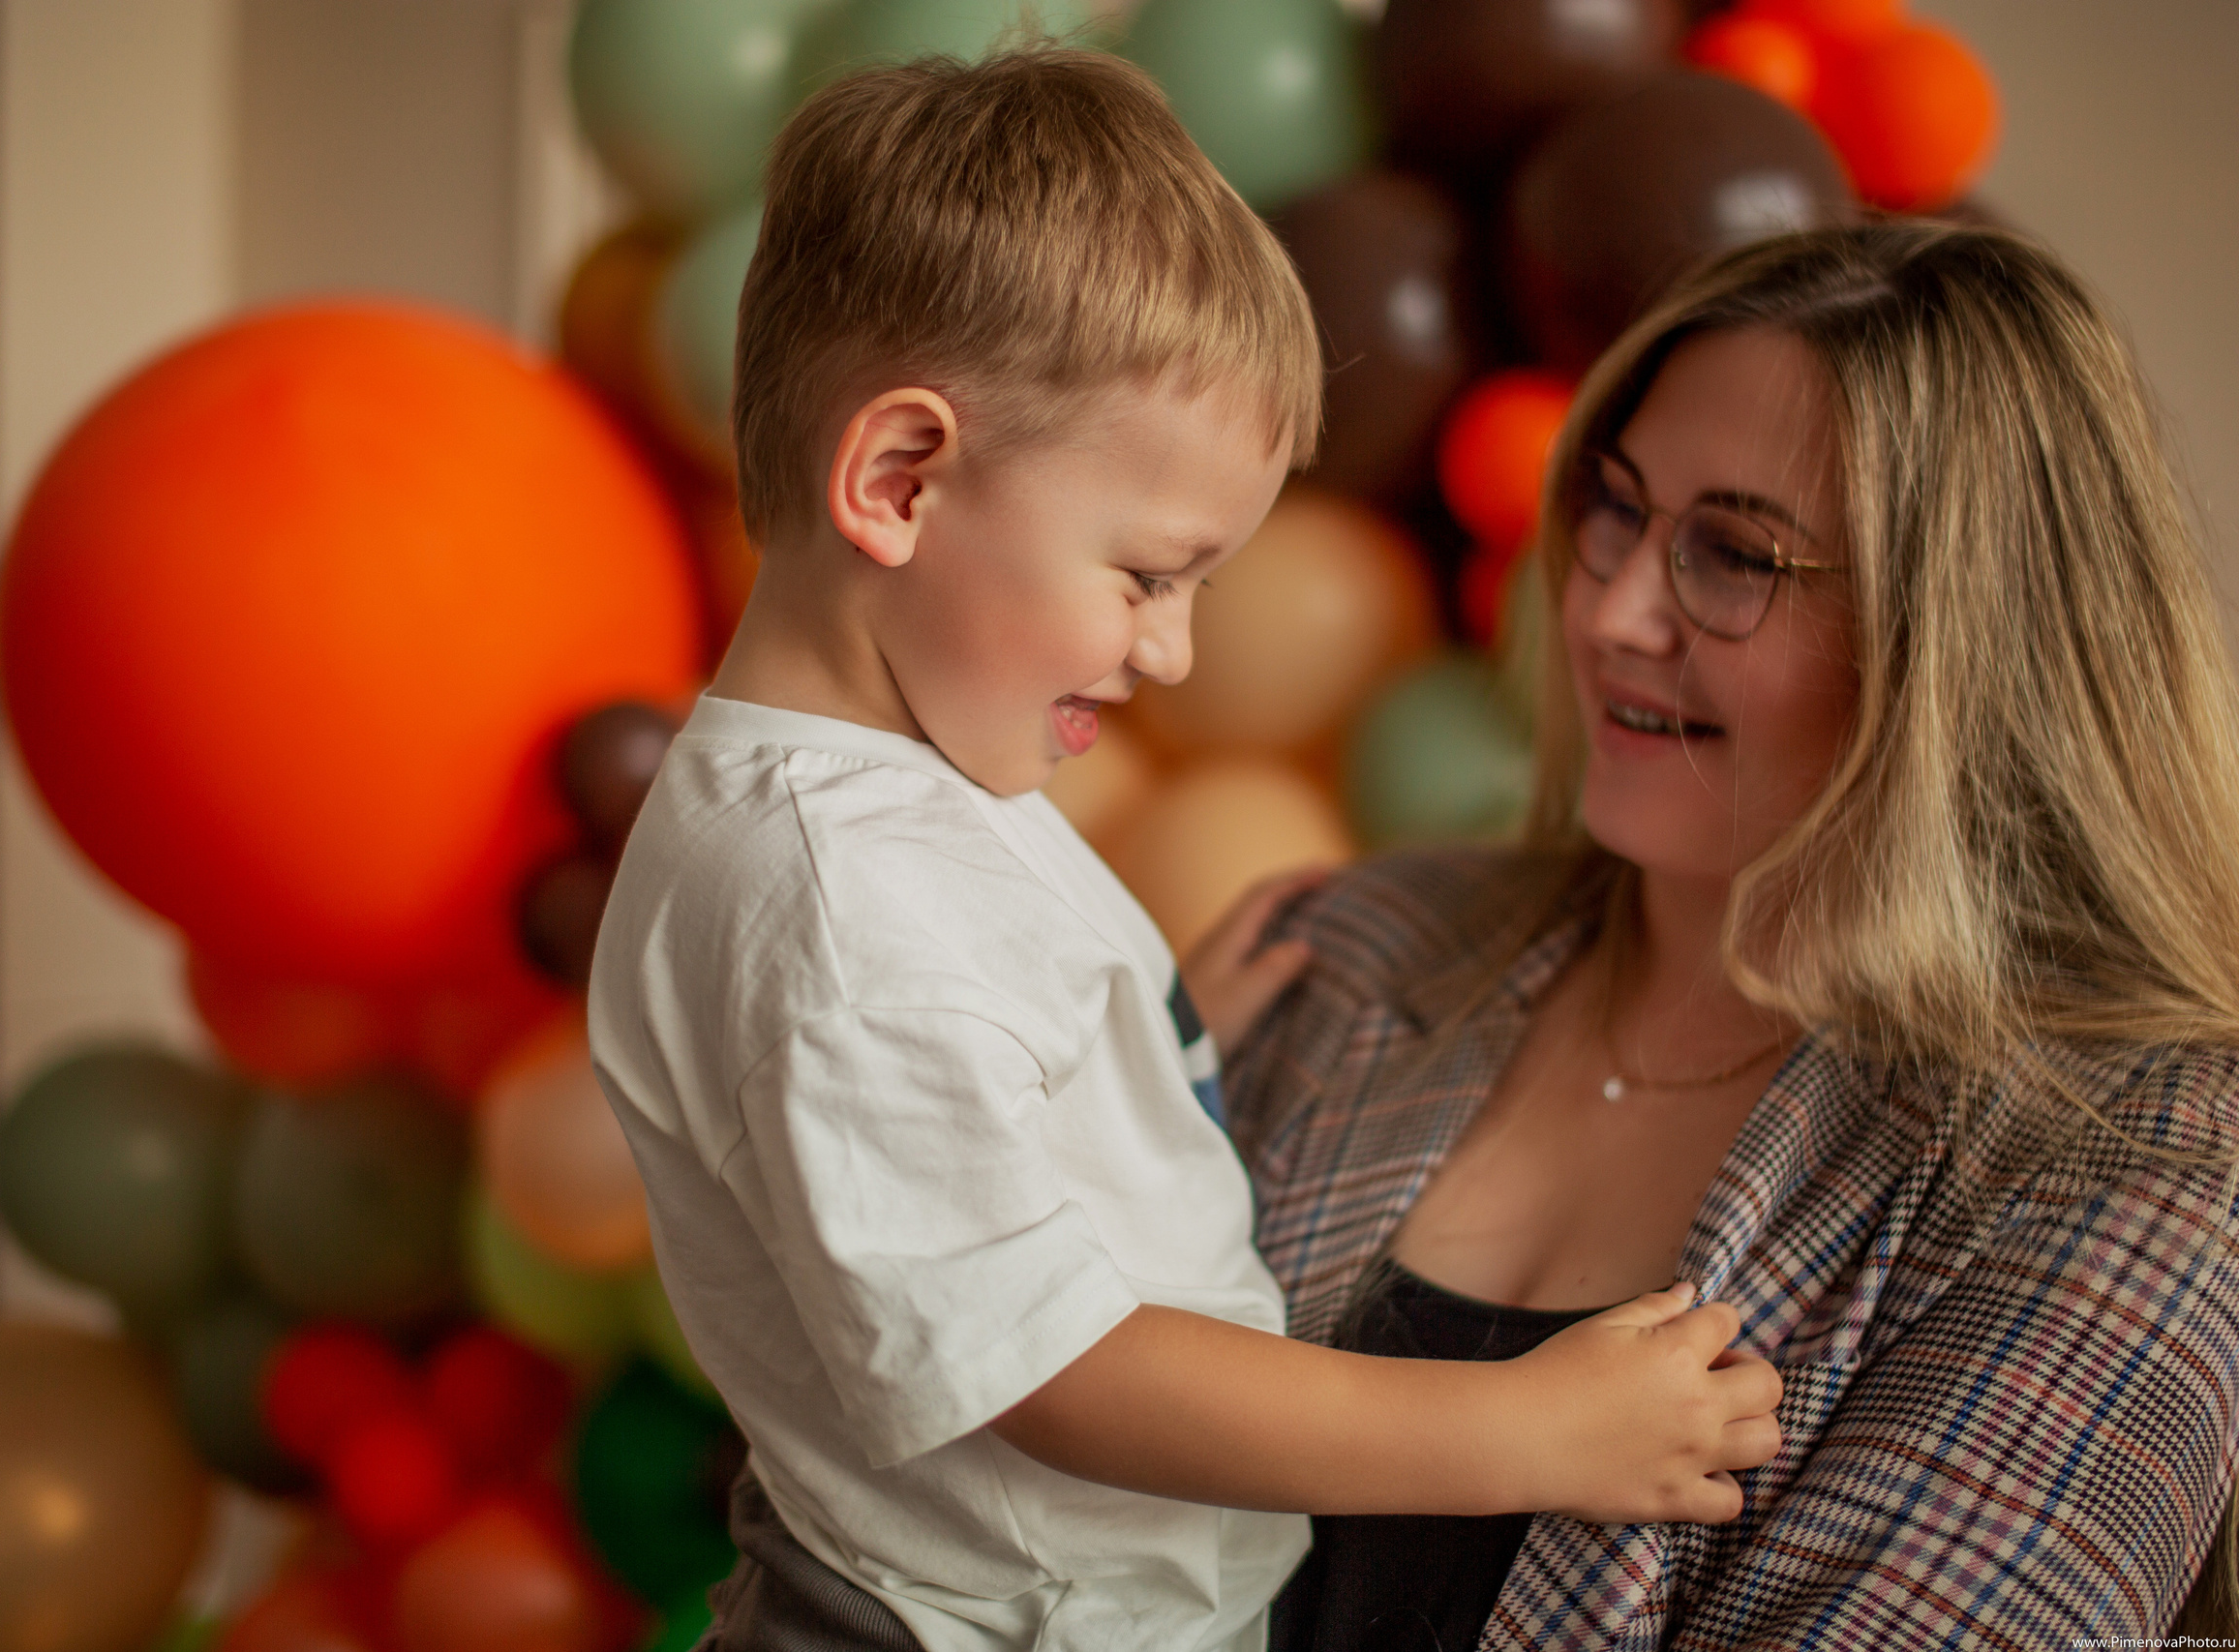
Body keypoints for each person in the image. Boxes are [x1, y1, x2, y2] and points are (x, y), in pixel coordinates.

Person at [590, 46, 1783, 1652]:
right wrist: (1523, 1435)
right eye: (1149, 575)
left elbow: (930, 1119)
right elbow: (1061, 1371)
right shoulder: (840, 915)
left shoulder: (885, 806)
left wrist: (1122, 1062)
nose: (1172, 655)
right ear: (899, 479)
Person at [1219, 220, 2239, 1650]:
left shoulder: (2126, 1152)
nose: (1614, 610)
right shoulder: (1360, 941)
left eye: (1735, 555)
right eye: (1617, 513)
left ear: (1953, 636)